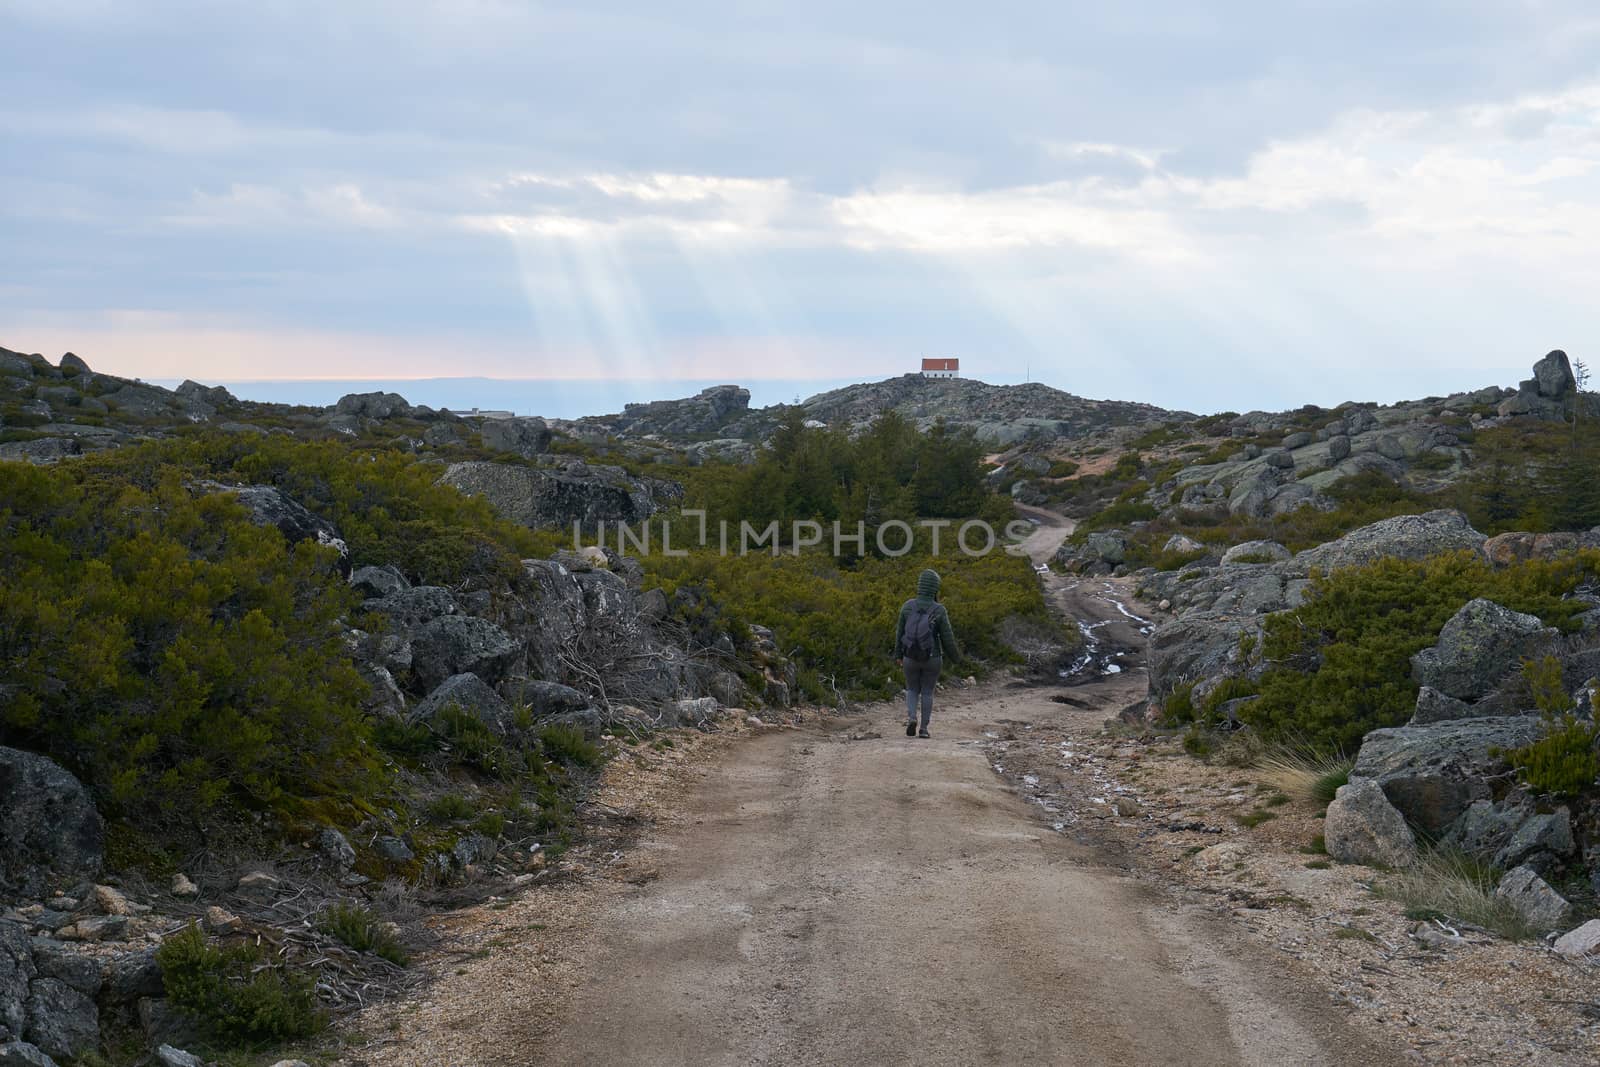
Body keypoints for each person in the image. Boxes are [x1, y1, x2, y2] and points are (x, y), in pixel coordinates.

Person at [894, 568, 960, 738]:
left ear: (920, 586)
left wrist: (898, 655)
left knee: (912, 689)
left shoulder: (907, 606)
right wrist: (957, 659)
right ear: (935, 588)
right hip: (933, 657)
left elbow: (899, 633)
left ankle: (911, 717)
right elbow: (948, 638)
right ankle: (923, 729)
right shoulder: (939, 610)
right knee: (928, 691)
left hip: (910, 656)